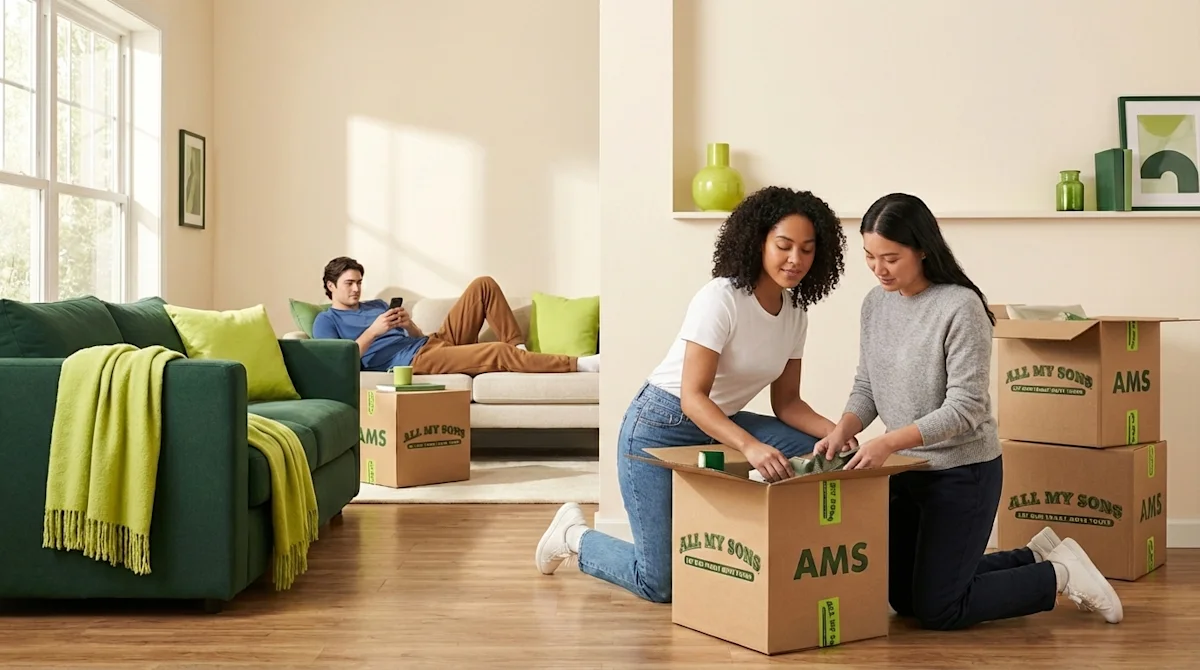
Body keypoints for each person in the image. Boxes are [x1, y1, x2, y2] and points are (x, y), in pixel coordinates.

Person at [812, 192, 1123, 629]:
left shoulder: (961, 307)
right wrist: (844, 427)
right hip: (905, 472)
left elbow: (966, 408)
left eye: (891, 258)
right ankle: (1034, 555)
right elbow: (867, 384)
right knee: (904, 600)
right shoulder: (875, 304)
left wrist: (887, 442)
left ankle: (1060, 573)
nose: (878, 269)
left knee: (940, 609)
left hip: (961, 473)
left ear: (922, 249)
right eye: (869, 256)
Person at [534, 186, 849, 602]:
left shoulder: (795, 314)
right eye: (784, 245)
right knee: (660, 583)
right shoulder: (722, 298)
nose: (796, 260)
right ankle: (573, 537)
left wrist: (840, 431)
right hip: (658, 426)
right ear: (759, 242)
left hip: (721, 422)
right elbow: (692, 397)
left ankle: (783, 565)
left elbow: (787, 402)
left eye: (807, 250)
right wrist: (751, 448)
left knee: (826, 453)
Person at [312, 256, 600, 375]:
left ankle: (519, 350)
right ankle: (579, 365)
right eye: (349, 283)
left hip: (430, 343)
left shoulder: (375, 305)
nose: (356, 289)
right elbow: (336, 365)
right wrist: (374, 331)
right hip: (415, 362)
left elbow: (416, 336)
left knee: (482, 285)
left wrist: (408, 324)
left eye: (359, 282)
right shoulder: (327, 320)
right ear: (330, 286)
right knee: (495, 352)